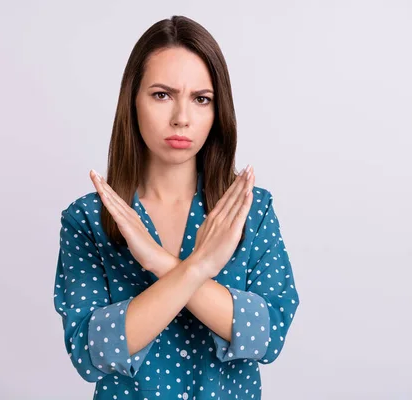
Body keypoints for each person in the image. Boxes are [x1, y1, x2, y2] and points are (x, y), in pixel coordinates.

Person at [53, 15, 300, 400]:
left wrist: (161, 262)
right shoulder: (88, 220)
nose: (182, 118)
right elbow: (92, 352)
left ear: (218, 112)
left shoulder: (252, 210)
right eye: (162, 95)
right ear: (132, 101)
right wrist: (198, 268)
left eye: (201, 99)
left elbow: (266, 336)